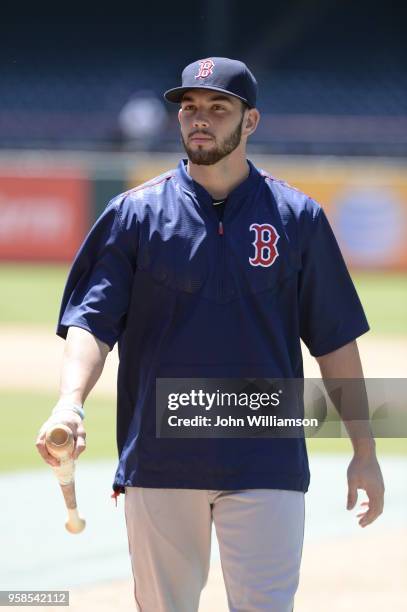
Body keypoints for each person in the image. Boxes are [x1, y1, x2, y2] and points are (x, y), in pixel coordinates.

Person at [36, 57, 385, 612]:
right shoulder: (134, 214)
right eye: (190, 108)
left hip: (266, 458)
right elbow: (92, 323)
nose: (200, 119)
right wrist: (69, 405)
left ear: (250, 122)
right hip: (161, 459)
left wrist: (364, 450)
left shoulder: (299, 218)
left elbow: (335, 339)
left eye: (218, 108)